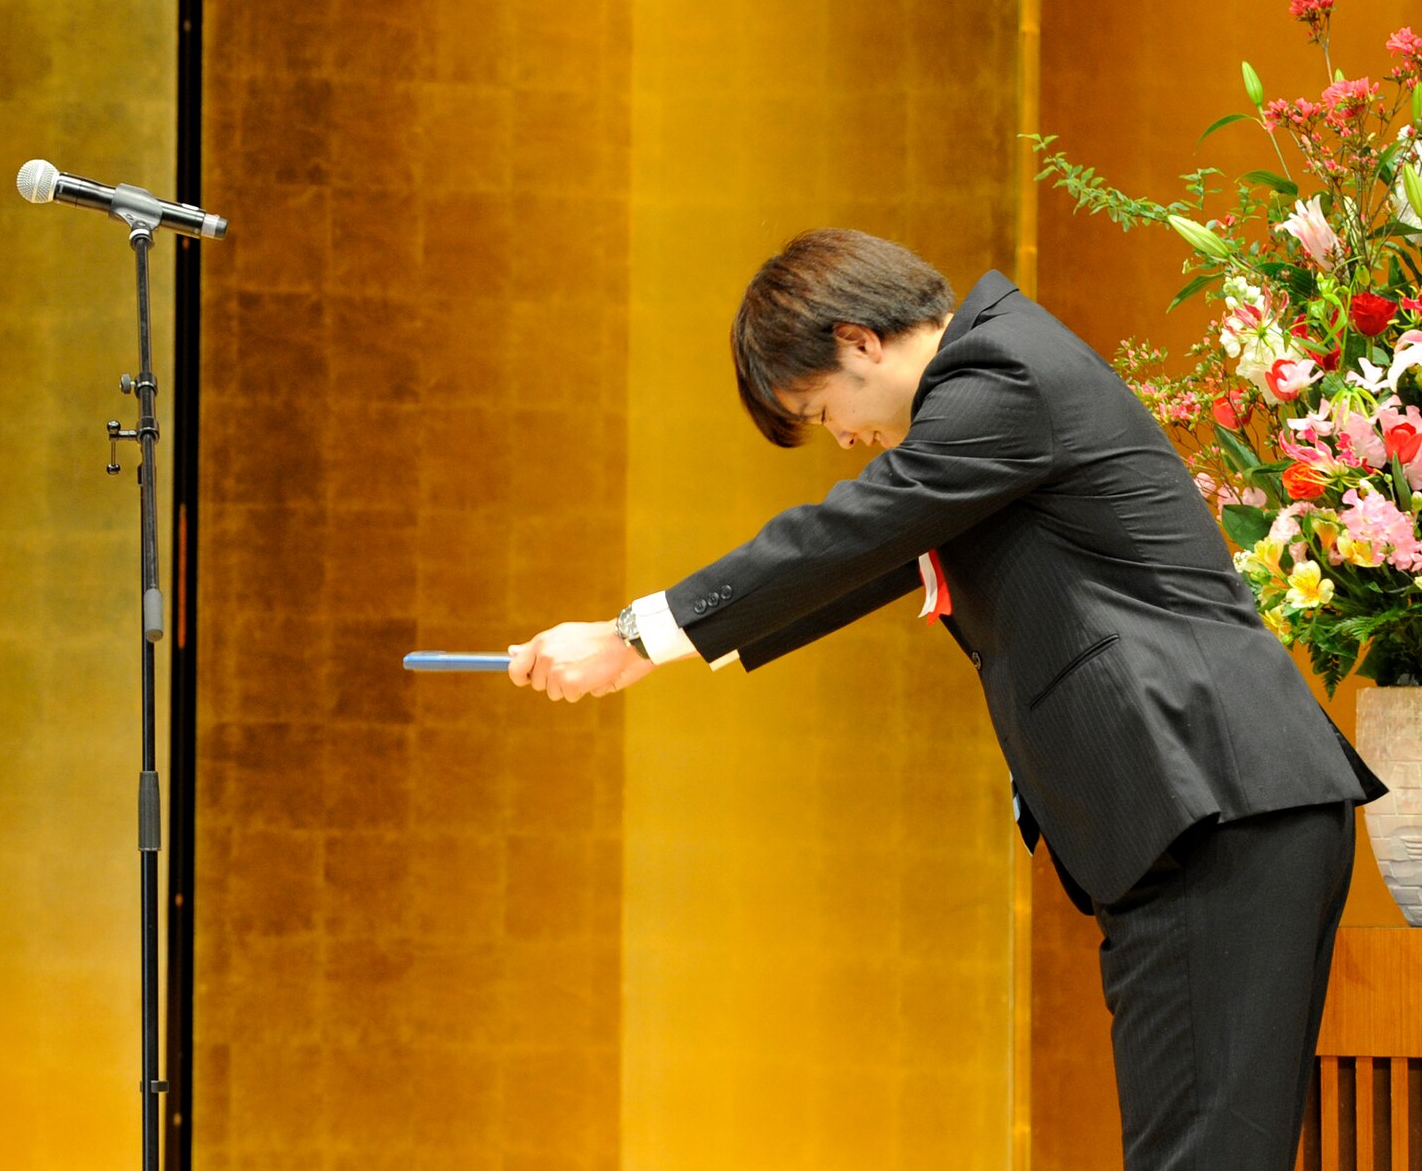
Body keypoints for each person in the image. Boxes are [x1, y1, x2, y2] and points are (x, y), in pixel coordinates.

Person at [507, 228, 1385, 1170]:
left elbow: (861, 525)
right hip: (1207, 803)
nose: (840, 437)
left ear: (859, 341)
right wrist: (647, 651)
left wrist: (635, 631)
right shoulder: (992, 393)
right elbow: (875, 553)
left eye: (822, 407)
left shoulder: (999, 372)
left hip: (1216, 795)